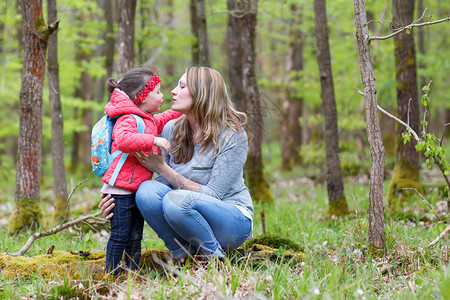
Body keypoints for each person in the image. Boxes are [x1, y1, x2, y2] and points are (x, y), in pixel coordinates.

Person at [99, 66, 253, 262]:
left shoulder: (232, 135)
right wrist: (116, 201)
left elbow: (214, 195)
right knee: (146, 190)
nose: (173, 91)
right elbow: (158, 193)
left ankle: (214, 259)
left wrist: (164, 169)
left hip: (230, 222)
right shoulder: (172, 129)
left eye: (182, 86)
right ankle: (181, 255)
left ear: (201, 94)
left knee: (178, 201)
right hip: (185, 218)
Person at [101, 68, 181, 275]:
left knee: (135, 237)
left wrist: (187, 107)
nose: (162, 95)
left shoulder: (148, 119)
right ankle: (112, 275)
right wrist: (153, 140)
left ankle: (131, 273)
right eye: (157, 91)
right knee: (120, 235)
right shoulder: (128, 118)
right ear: (141, 97)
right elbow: (124, 140)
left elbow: (166, 117)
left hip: (134, 189)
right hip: (119, 190)